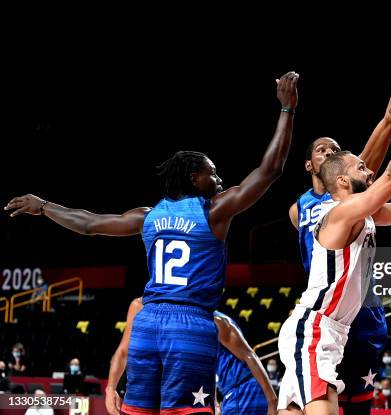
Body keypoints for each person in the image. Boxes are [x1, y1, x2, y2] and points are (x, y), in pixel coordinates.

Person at [6, 71, 299, 415]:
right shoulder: (214, 211)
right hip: (189, 323)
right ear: (194, 178)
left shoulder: (148, 215)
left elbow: (88, 224)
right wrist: (287, 111)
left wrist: (44, 206)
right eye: (213, 173)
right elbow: (270, 170)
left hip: (148, 322)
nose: (219, 180)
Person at [288, 9, 391, 413]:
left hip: (350, 315)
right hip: (319, 316)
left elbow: (390, 122)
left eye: (339, 148)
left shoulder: (359, 202)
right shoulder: (311, 210)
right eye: (324, 151)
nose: (340, 154)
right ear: (318, 169)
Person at [105, 298, 279, 415]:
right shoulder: (147, 310)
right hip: (230, 392)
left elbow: (250, 356)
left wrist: (272, 400)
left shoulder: (214, 321)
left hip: (243, 391)